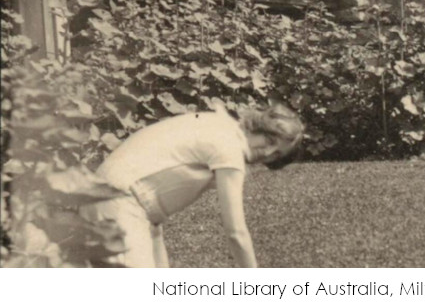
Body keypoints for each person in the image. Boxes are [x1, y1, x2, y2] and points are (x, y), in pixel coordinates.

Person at [83, 102, 304, 268]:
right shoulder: (230, 148)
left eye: (276, 154)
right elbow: (236, 232)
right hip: (118, 202)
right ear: (260, 128)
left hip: (122, 200)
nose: (267, 153)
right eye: (270, 141)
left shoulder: (220, 123)